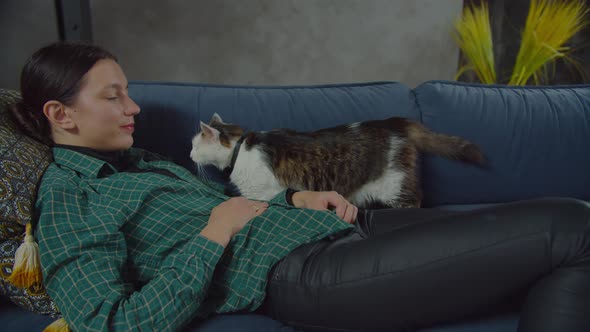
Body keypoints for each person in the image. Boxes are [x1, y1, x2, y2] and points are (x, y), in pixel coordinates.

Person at [9, 41, 590, 332]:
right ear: (61, 114)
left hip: (342, 226)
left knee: (574, 232)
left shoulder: (144, 163)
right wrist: (213, 235)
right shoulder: (68, 199)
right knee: (573, 226)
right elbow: (112, 323)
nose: (133, 107)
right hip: (305, 273)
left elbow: (230, 204)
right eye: (113, 96)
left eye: (128, 90)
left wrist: (294, 197)